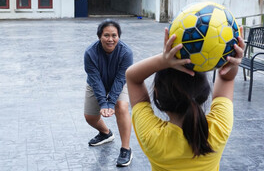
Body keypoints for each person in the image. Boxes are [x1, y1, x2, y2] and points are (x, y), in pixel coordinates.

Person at [126, 27, 244, 171]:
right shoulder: (218, 129)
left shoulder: (152, 137)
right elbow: (226, 78)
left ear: (156, 93)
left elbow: (132, 77)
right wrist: (229, 57)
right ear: (204, 92)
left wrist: (164, 60)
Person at [84, 19, 133, 167]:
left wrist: (110, 102)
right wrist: (103, 103)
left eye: (114, 35)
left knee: (121, 107)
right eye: (106, 35)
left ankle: (126, 149)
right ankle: (106, 133)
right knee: (90, 117)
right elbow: (95, 79)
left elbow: (120, 78)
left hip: (119, 82)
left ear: (118, 36)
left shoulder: (126, 52)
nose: (110, 39)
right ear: (100, 36)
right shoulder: (90, 52)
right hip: (96, 83)